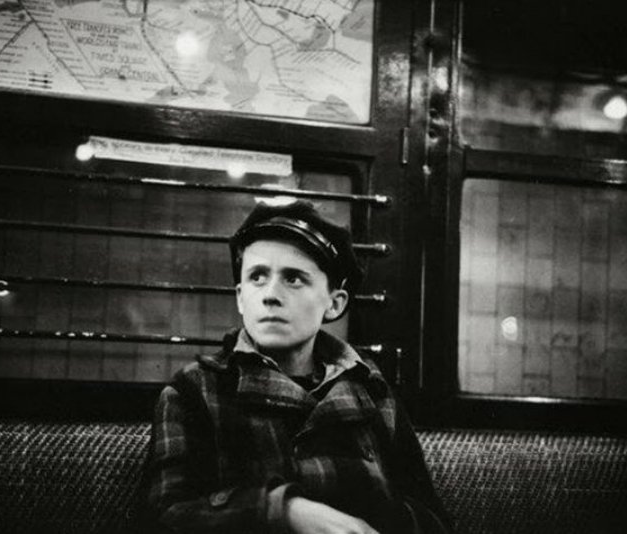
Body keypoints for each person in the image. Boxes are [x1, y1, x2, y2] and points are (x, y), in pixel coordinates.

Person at [143, 200, 451, 534]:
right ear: (240, 297)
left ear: (334, 304)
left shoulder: (373, 392)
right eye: (257, 277)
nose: (270, 295)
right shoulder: (195, 391)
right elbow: (164, 516)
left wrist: (377, 518)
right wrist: (284, 511)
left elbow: (433, 520)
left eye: (293, 278)